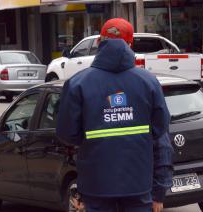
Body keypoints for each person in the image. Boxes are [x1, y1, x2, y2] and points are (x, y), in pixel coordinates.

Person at [56, 18, 173, 212]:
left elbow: (66, 133)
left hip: (95, 186)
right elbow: (160, 132)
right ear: (130, 44)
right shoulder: (149, 82)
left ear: (99, 42)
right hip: (139, 185)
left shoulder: (78, 83)